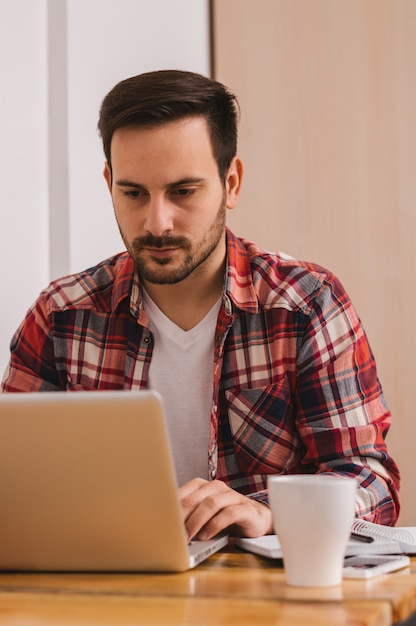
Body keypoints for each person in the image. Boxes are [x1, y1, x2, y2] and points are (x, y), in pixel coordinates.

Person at [1, 69, 400, 540]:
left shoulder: (306, 304)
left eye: (183, 191)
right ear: (109, 182)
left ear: (231, 183)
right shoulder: (60, 316)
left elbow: (372, 482)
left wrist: (270, 514)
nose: (157, 221)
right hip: (105, 593)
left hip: (258, 603)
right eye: (133, 193)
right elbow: (14, 483)